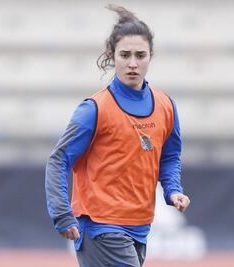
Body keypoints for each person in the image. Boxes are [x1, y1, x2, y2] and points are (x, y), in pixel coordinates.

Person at [45, 4, 190, 267]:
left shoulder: (166, 105)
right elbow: (58, 160)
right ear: (112, 56)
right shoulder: (94, 109)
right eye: (125, 55)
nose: (132, 63)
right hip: (100, 228)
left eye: (140, 55)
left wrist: (172, 190)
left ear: (151, 56)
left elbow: (169, 156)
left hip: (140, 227)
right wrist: (61, 214)